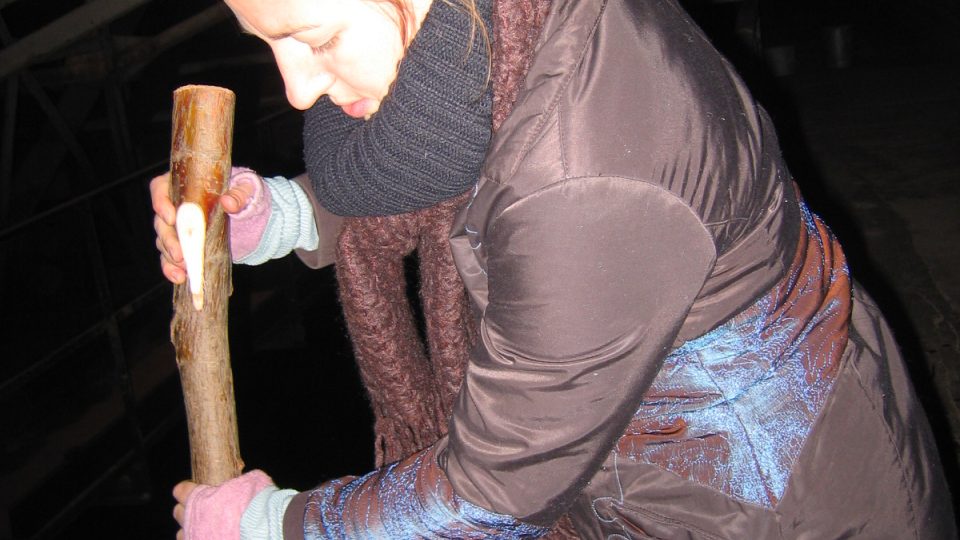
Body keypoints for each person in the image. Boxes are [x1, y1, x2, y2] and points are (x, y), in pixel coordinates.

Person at [151, 0, 958, 538]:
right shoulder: (502, 31)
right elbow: (450, 165)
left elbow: (498, 484)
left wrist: (275, 524)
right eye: (268, 43)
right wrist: (280, 215)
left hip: (770, 508)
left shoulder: (585, 172)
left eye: (318, 40)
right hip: (652, 473)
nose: (295, 92)